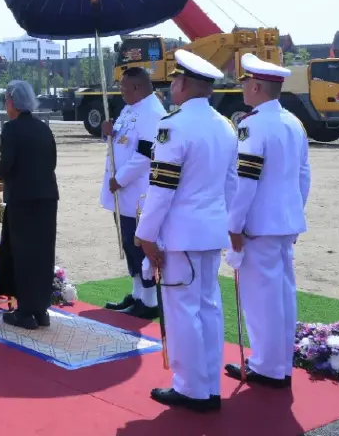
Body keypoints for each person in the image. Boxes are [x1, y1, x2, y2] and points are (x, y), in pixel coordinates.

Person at [136, 50, 235, 413]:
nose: (172, 87)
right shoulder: (224, 125)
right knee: (208, 307)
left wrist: (146, 234)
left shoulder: (173, 126)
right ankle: (208, 385)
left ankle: (191, 388)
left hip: (182, 235)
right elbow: (231, 185)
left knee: (183, 312)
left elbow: (162, 189)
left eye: (175, 80)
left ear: (185, 84)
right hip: (211, 232)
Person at [224, 53, 310, 389]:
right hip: (285, 221)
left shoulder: (252, 125)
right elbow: (303, 175)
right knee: (283, 295)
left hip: (258, 225)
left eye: (246, 83)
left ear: (257, 87)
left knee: (262, 300)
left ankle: (267, 366)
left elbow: (245, 182)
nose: (243, 88)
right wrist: (294, 212)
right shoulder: (293, 122)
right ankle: (280, 364)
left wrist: (234, 224)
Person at [0, 80, 58, 330]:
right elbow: (52, 162)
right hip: (47, 198)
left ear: (12, 102)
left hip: (22, 198)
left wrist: (0, 175)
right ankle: (40, 309)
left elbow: (6, 163)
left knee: (23, 253)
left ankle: (25, 311)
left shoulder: (11, 129)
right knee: (42, 253)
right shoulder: (43, 128)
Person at [99, 67, 164, 319]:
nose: (121, 92)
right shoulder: (130, 108)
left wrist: (120, 179)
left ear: (137, 87)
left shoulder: (152, 112)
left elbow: (147, 154)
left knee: (139, 246)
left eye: (124, 88)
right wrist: (109, 133)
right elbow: (122, 141)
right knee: (128, 244)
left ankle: (149, 301)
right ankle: (137, 294)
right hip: (123, 194)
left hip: (137, 192)